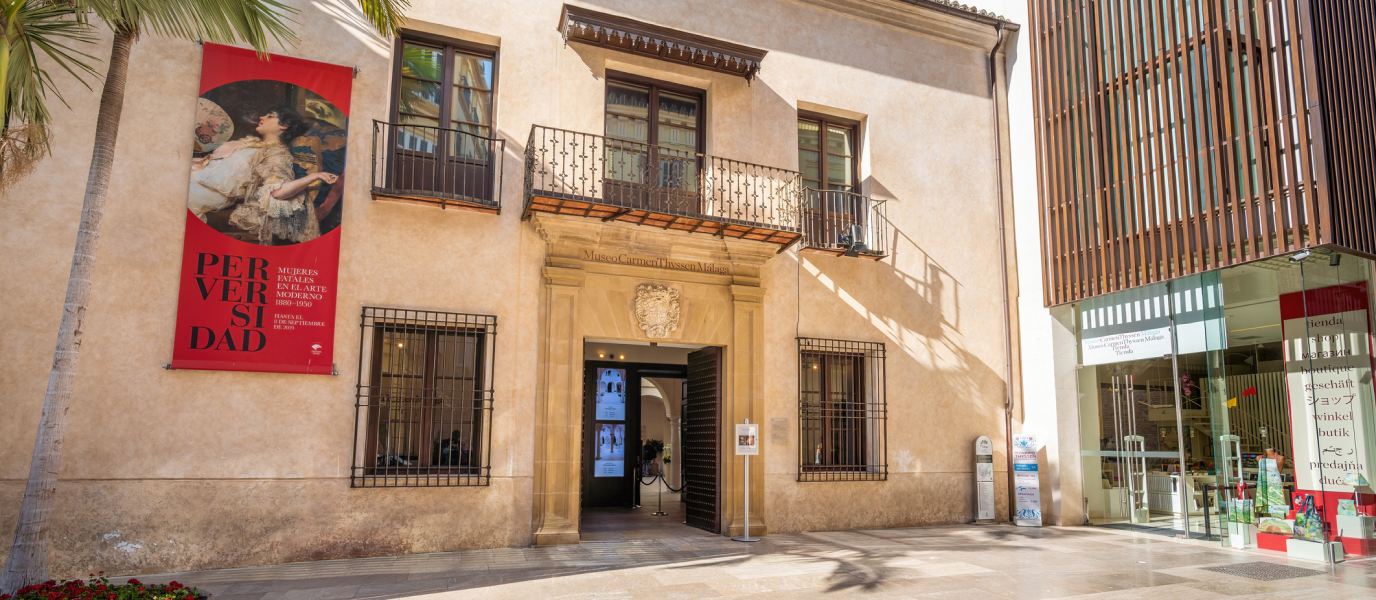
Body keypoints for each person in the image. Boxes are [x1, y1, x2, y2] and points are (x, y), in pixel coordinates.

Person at [188, 106, 336, 245]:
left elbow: (277, 191)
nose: (261, 117)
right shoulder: (248, 144)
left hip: (207, 194)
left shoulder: (277, 153)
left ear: (283, 126)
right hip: (195, 180)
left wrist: (314, 176)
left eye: (270, 116)